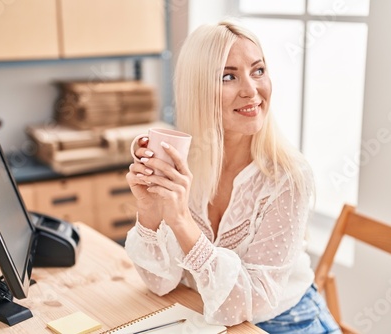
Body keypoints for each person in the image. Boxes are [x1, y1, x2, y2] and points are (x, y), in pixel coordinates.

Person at [125, 19, 341, 333]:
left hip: (282, 323)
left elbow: (251, 303)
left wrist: (182, 222)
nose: (252, 91)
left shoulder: (288, 177)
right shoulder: (183, 161)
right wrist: (150, 212)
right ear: (198, 89)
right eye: (229, 76)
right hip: (207, 316)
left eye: (258, 70)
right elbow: (161, 283)